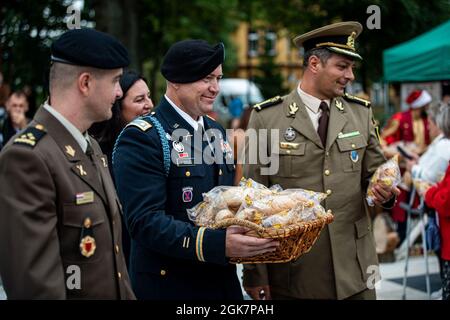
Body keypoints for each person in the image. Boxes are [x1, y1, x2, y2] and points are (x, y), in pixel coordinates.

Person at [242, 21, 399, 300]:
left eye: (352, 68)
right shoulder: (266, 117)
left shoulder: (360, 112)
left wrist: (384, 192)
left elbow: (374, 176)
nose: (350, 75)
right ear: (314, 63)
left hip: (356, 271)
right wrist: (255, 273)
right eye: (342, 66)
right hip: (295, 274)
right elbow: (253, 200)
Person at [112, 39, 279, 300]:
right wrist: (217, 244)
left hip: (221, 283)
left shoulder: (216, 131)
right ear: (176, 80)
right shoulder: (143, 136)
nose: (215, 88)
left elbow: (223, 203)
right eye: (206, 78)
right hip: (171, 287)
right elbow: (144, 223)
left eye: (218, 78)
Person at [0, 28, 135, 299]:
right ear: (85, 83)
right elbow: (36, 288)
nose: (120, 92)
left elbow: (116, 270)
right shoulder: (28, 157)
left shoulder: (91, 147)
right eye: (115, 81)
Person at [89, 70, 153, 268]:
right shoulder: (99, 151)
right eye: (139, 99)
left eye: (149, 96)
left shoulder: (153, 144)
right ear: (118, 106)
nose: (149, 105)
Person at [381, 89, 432, 154]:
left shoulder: (428, 119)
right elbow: (382, 137)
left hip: (425, 157)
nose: (428, 107)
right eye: (426, 104)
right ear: (420, 105)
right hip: (404, 159)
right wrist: (392, 152)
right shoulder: (400, 118)